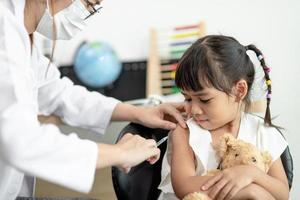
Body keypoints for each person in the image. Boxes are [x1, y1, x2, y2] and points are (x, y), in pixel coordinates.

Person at [0, 0, 187, 199]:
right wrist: (119, 153)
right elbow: (21, 142)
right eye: (88, 3)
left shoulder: (21, 35)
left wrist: (139, 113)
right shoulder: (5, 35)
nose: (86, 13)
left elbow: (59, 94)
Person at [158, 35, 289, 200]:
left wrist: (252, 174)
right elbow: (184, 186)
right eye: (188, 99)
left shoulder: (261, 131)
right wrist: (251, 192)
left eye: (204, 99)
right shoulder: (185, 132)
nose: (194, 110)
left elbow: (283, 194)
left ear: (239, 91)